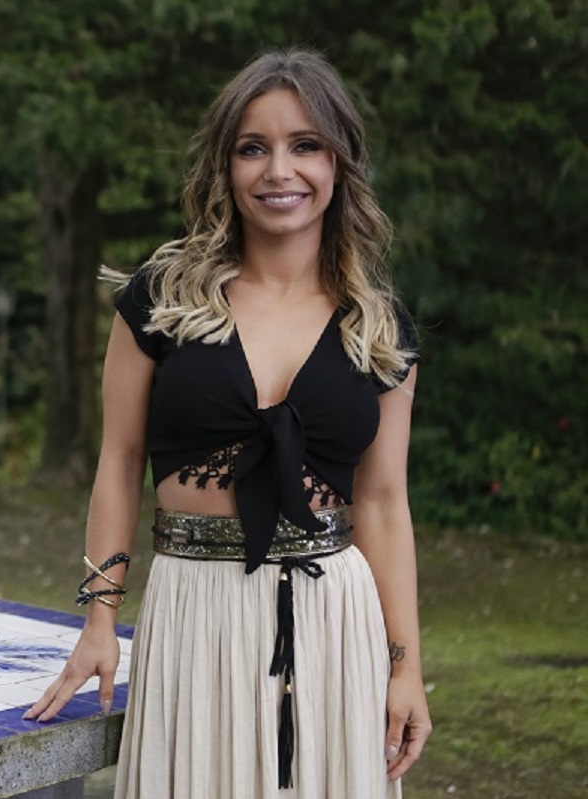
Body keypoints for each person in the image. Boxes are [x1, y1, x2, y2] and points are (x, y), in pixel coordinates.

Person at [23, 48, 432, 798]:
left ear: (338, 162)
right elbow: (119, 460)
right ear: (226, 165)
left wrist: (404, 667)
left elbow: (381, 503)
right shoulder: (162, 299)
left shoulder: (379, 330)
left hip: (335, 620)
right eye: (253, 148)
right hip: (193, 611)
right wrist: (99, 621)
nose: (279, 170)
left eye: (304, 145)